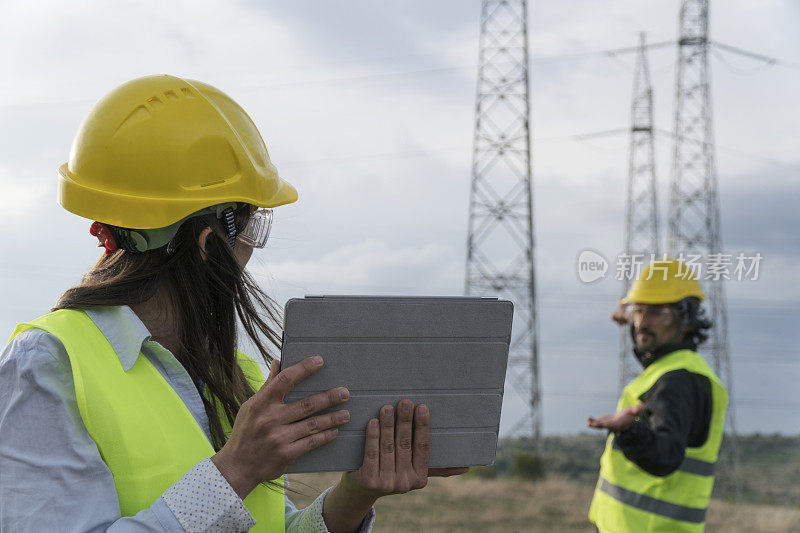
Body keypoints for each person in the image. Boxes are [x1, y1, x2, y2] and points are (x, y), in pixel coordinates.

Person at [0, 74, 467, 532]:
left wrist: (355, 495)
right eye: (252, 228)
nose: (250, 252)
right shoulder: (47, 366)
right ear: (208, 243)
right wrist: (237, 471)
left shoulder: (236, 372)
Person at [586, 258, 728, 533]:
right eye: (638, 311)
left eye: (656, 312)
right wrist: (633, 318)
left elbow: (665, 455)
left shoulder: (677, 380)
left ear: (687, 318)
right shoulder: (674, 371)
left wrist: (629, 431)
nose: (642, 322)